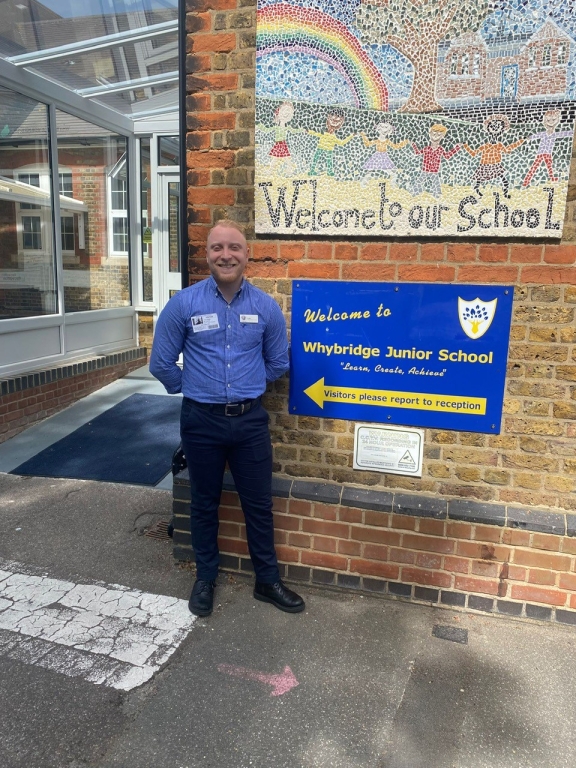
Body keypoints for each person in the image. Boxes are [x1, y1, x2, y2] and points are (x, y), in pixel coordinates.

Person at [150, 219, 305, 617]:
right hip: (200, 422)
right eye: (217, 247)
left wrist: (247, 385)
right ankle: (205, 578)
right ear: (206, 255)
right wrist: (194, 388)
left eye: (234, 247)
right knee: (204, 503)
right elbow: (161, 363)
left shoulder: (265, 307)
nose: (226, 255)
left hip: (249, 422)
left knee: (259, 504)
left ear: (246, 255)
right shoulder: (183, 305)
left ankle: (267, 581)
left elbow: (278, 362)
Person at [410, 124, 460, 198]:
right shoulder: (427, 148)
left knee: (436, 184)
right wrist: (413, 145)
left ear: (442, 136)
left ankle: (437, 195)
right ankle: (414, 193)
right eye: (434, 133)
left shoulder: (440, 149)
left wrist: (457, 148)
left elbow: (447, 156)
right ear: (429, 134)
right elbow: (417, 152)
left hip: (434, 171)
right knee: (419, 182)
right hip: (425, 170)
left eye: (439, 134)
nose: (436, 136)